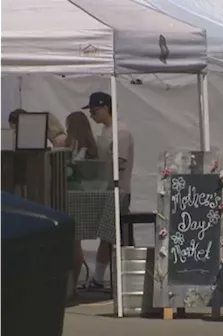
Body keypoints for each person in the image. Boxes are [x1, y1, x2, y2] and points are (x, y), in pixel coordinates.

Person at [81, 91, 135, 290]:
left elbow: (119, 163)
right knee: (107, 236)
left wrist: (96, 166)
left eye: (94, 111)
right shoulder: (106, 131)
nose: (92, 116)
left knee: (114, 237)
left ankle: (117, 278)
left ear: (104, 108)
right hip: (107, 191)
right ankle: (99, 278)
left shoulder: (120, 131)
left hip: (119, 191)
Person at [64, 111, 99, 297]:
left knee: (73, 244)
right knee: (75, 244)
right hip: (87, 198)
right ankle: (73, 286)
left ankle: (71, 287)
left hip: (73, 197)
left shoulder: (73, 148)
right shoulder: (92, 148)